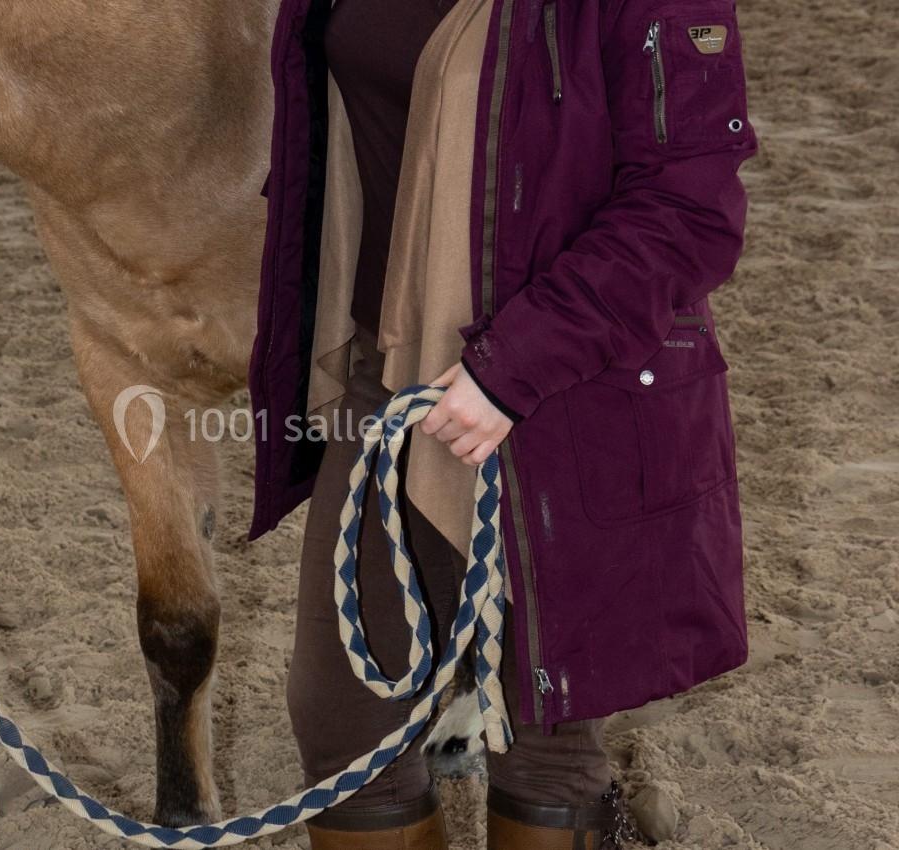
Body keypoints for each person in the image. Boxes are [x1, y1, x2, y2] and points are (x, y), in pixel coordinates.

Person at [247, 0, 757, 847]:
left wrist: (512, 367)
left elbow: (689, 206)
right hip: (387, 380)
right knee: (345, 733)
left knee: (546, 736)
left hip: (566, 392)